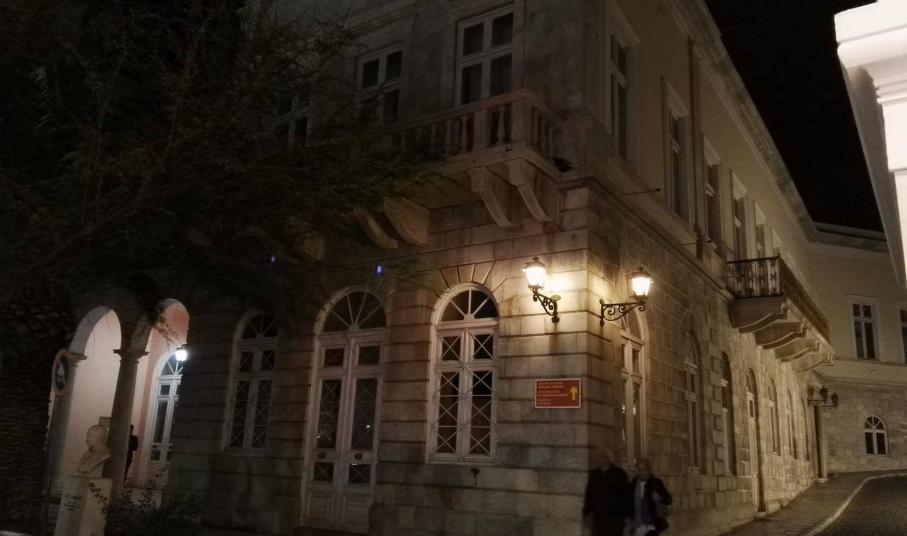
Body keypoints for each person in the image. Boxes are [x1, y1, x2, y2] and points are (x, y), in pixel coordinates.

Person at [582, 450, 630, 536]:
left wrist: (627, 515)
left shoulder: (619, 473)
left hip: (615, 517)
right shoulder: (594, 474)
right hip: (598, 517)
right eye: (597, 457)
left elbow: (625, 495)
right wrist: (586, 513)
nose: (598, 459)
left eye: (601, 456)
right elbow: (589, 494)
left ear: (607, 458)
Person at [628, 458, 673, 536]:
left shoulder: (656, 482)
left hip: (652, 524)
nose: (641, 473)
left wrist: (659, 497)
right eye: (639, 470)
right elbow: (629, 502)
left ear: (649, 470)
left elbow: (668, 499)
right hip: (638, 524)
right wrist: (630, 520)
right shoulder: (634, 483)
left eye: (644, 470)